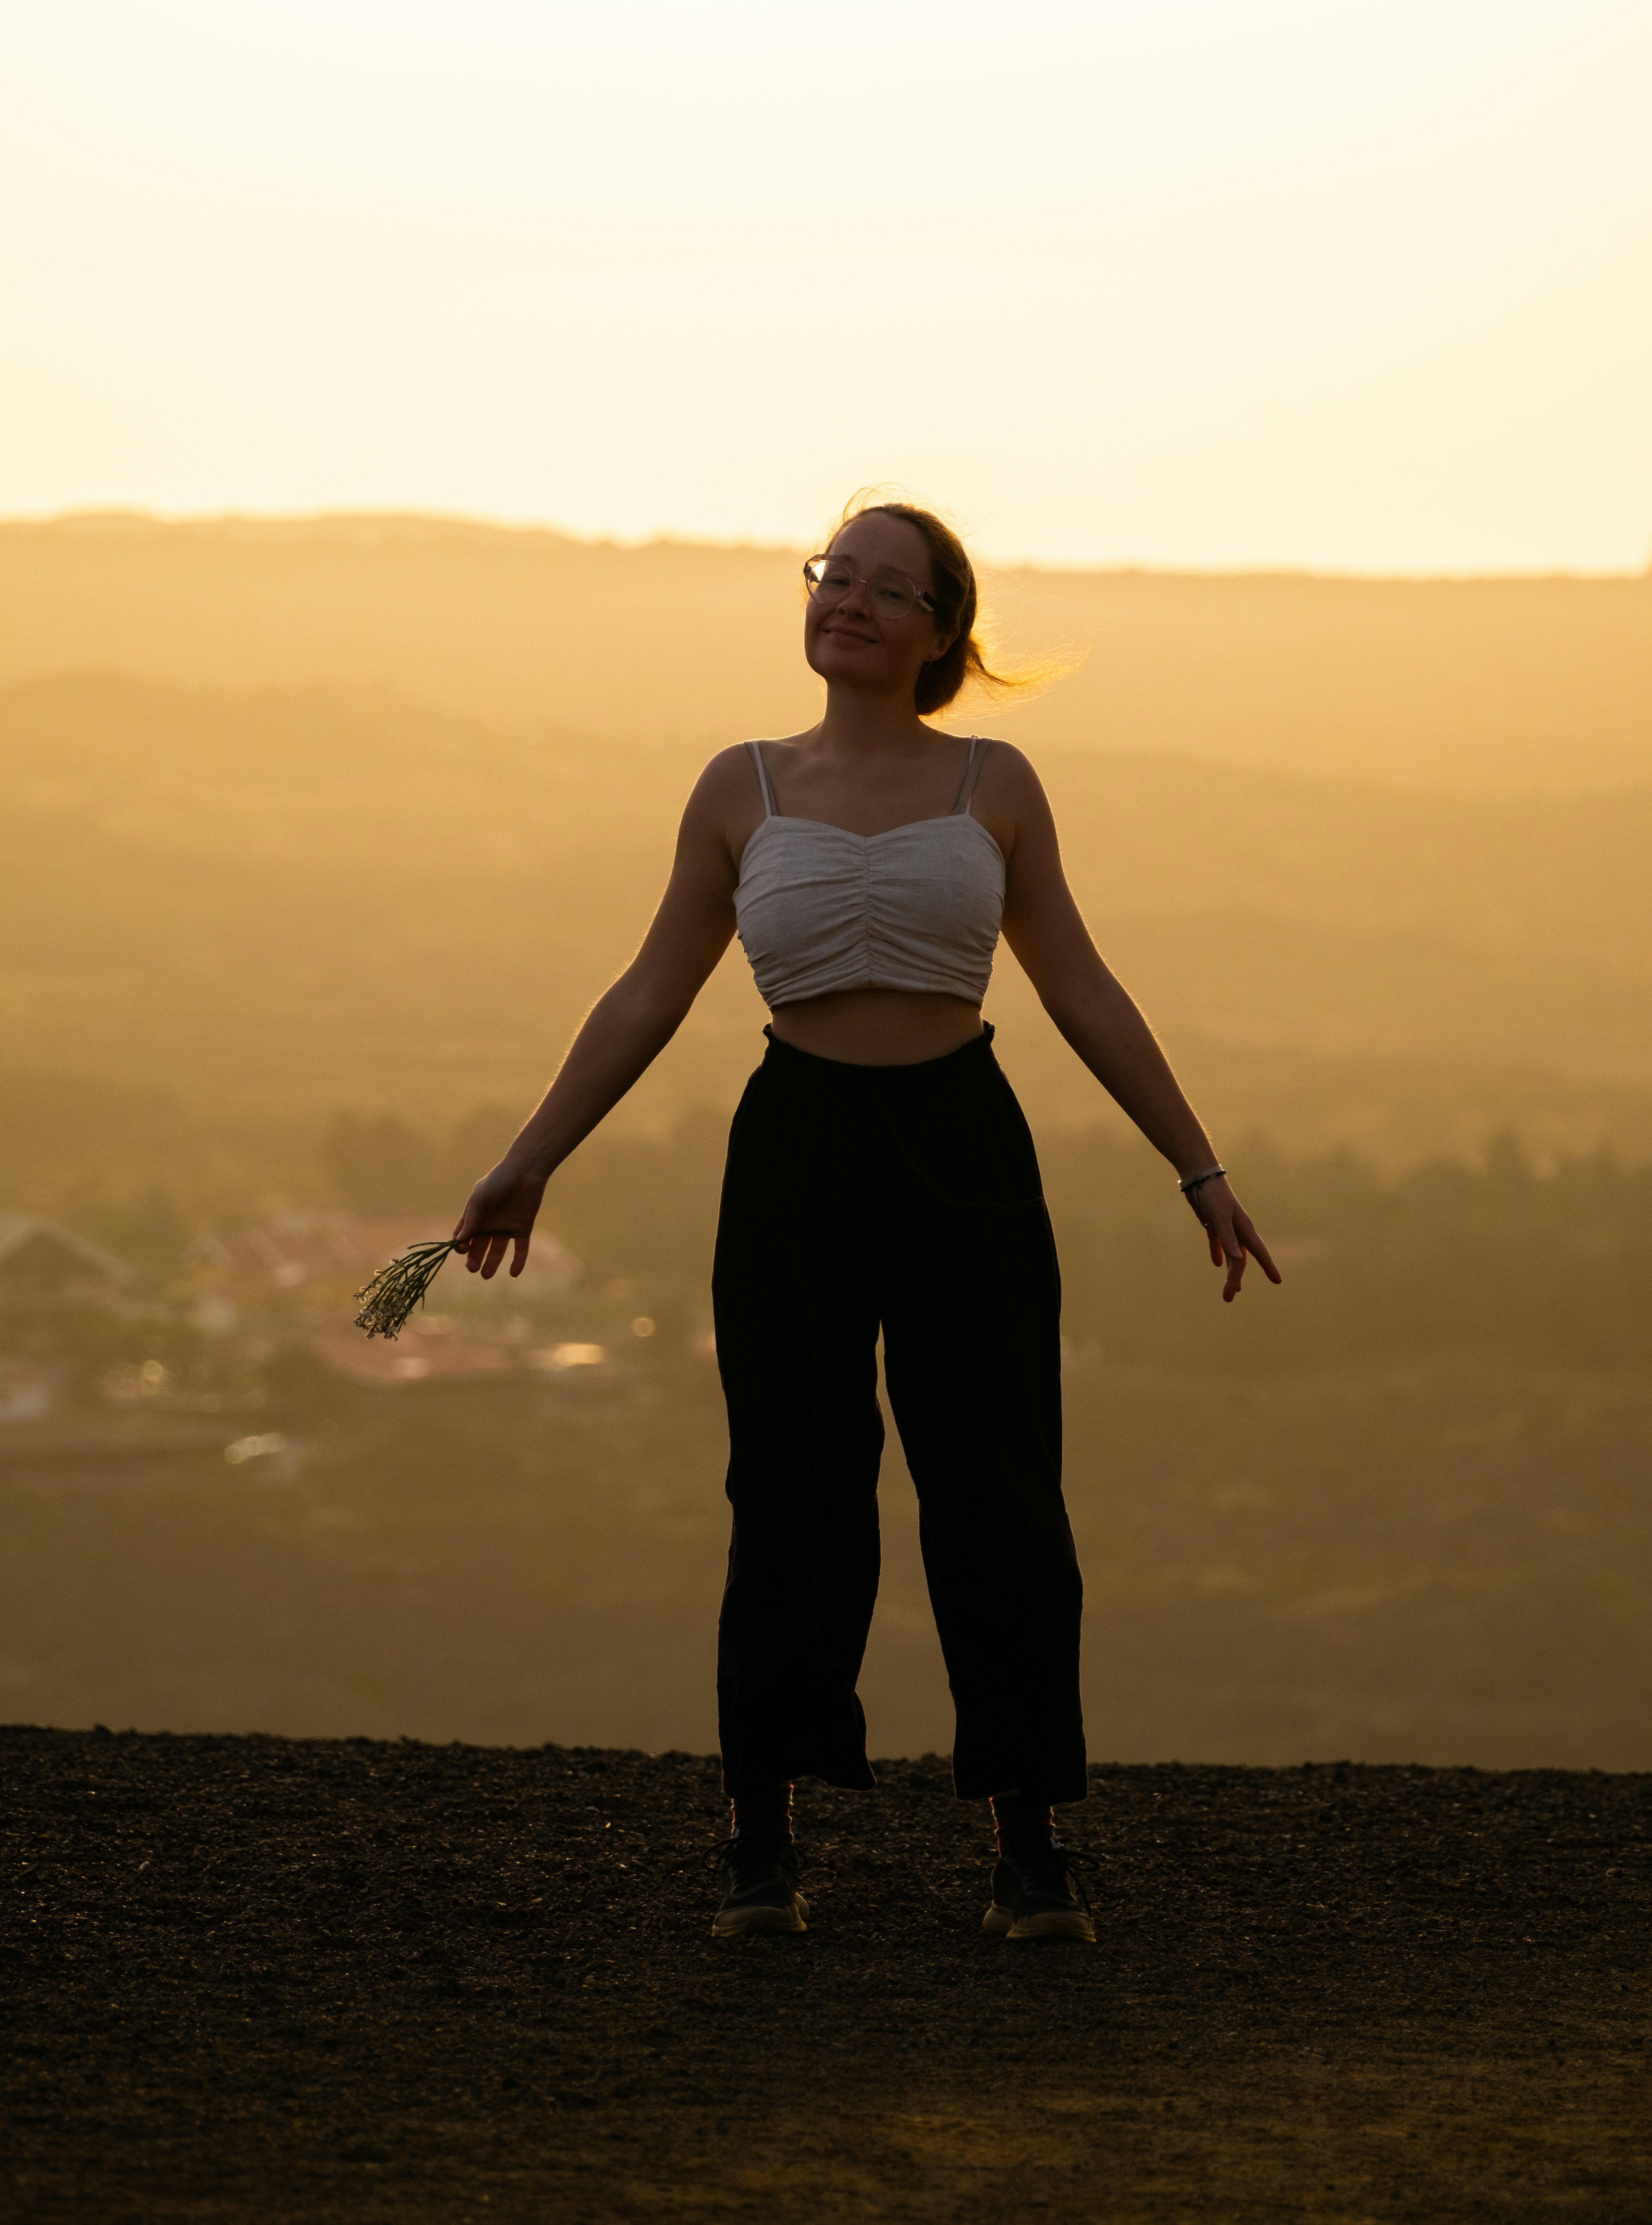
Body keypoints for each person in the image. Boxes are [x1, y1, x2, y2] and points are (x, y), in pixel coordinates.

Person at [453, 496, 1280, 1944]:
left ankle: (1030, 1846)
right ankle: (761, 1836)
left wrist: (1196, 1167)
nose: (851, 601)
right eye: (837, 575)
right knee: (790, 1484)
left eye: (890, 590)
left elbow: (1078, 983)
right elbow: (652, 990)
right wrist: (532, 1158)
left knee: (998, 1485)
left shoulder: (996, 783)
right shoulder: (739, 785)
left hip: (965, 1144)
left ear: (941, 635)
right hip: (796, 1150)